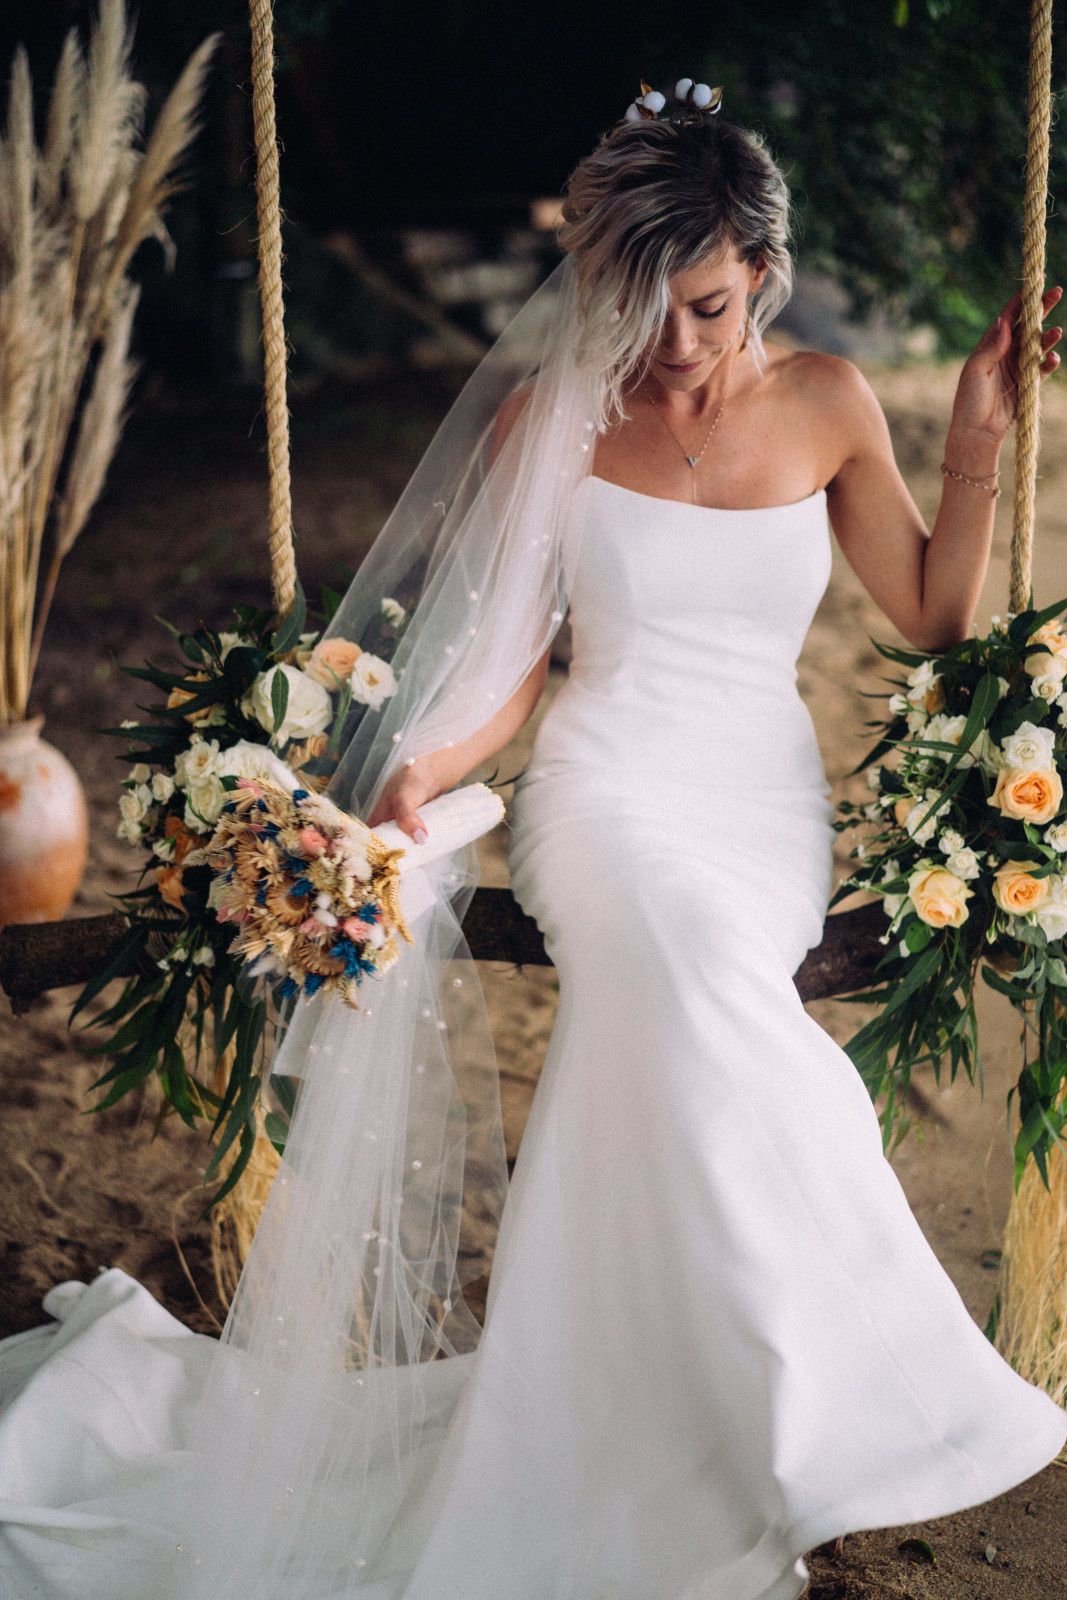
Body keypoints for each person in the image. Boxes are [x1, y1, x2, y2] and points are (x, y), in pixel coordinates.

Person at [1, 76, 1065, 1600]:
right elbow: (511, 671)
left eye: (704, 304)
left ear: (759, 270)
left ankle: (697, 1398)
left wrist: (973, 437)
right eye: (643, 306)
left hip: (759, 802)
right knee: (688, 973)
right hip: (607, 789)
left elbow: (937, 615)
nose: (676, 343)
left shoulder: (827, 402)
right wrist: (416, 775)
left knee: (706, 992)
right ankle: (822, 1393)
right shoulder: (550, 418)